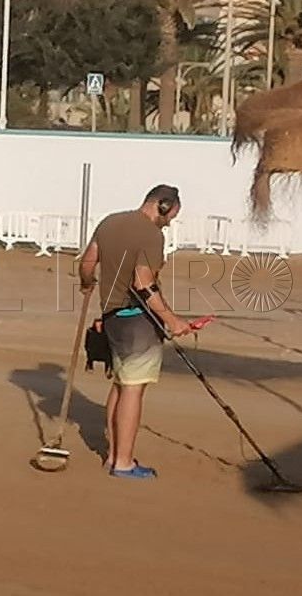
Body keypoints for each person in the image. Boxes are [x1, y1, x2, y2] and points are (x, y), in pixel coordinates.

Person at [79, 185, 192, 480]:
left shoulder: (110, 222)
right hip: (138, 320)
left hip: (112, 317)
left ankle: (114, 456)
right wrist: (172, 319)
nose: (169, 222)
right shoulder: (152, 235)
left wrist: (86, 282)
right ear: (163, 206)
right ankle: (124, 463)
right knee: (133, 388)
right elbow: (143, 284)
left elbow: (88, 262)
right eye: (170, 217)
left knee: (120, 383)